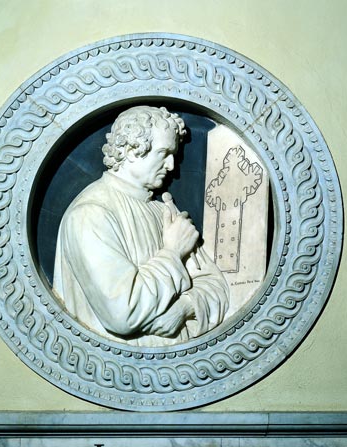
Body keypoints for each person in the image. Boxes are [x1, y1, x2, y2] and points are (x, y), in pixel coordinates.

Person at [53, 105, 229, 346]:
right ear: (132, 150)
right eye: (164, 153)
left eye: (174, 155)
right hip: (119, 366)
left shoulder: (163, 210)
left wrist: (185, 308)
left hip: (182, 362)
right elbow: (123, 312)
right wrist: (173, 252)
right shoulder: (90, 213)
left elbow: (216, 286)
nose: (171, 166)